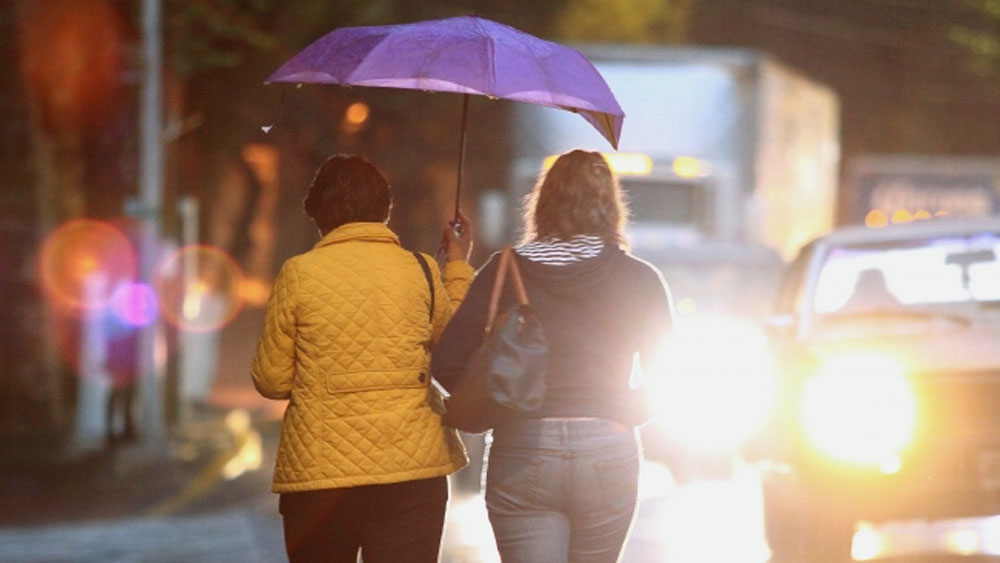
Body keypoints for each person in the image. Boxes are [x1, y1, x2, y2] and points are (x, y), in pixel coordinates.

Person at [432, 149, 675, 562]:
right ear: (610, 204)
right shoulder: (639, 278)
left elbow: (448, 361)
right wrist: (620, 411)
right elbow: (669, 379)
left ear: (543, 202)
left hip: (523, 449)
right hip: (607, 448)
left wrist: (502, 399)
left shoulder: (502, 271)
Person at [251, 154, 475, 563]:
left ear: (318, 213)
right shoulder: (422, 269)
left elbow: (272, 380)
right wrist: (457, 264)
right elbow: (458, 349)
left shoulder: (298, 273)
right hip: (413, 472)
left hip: (321, 480)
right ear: (384, 211)